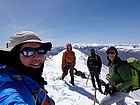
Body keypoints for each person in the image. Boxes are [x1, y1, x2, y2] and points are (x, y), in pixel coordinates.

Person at [0, 31, 55, 105]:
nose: (38, 57)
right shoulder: (12, 89)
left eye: (41, 51)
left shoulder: (29, 78)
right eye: (28, 52)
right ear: (14, 56)